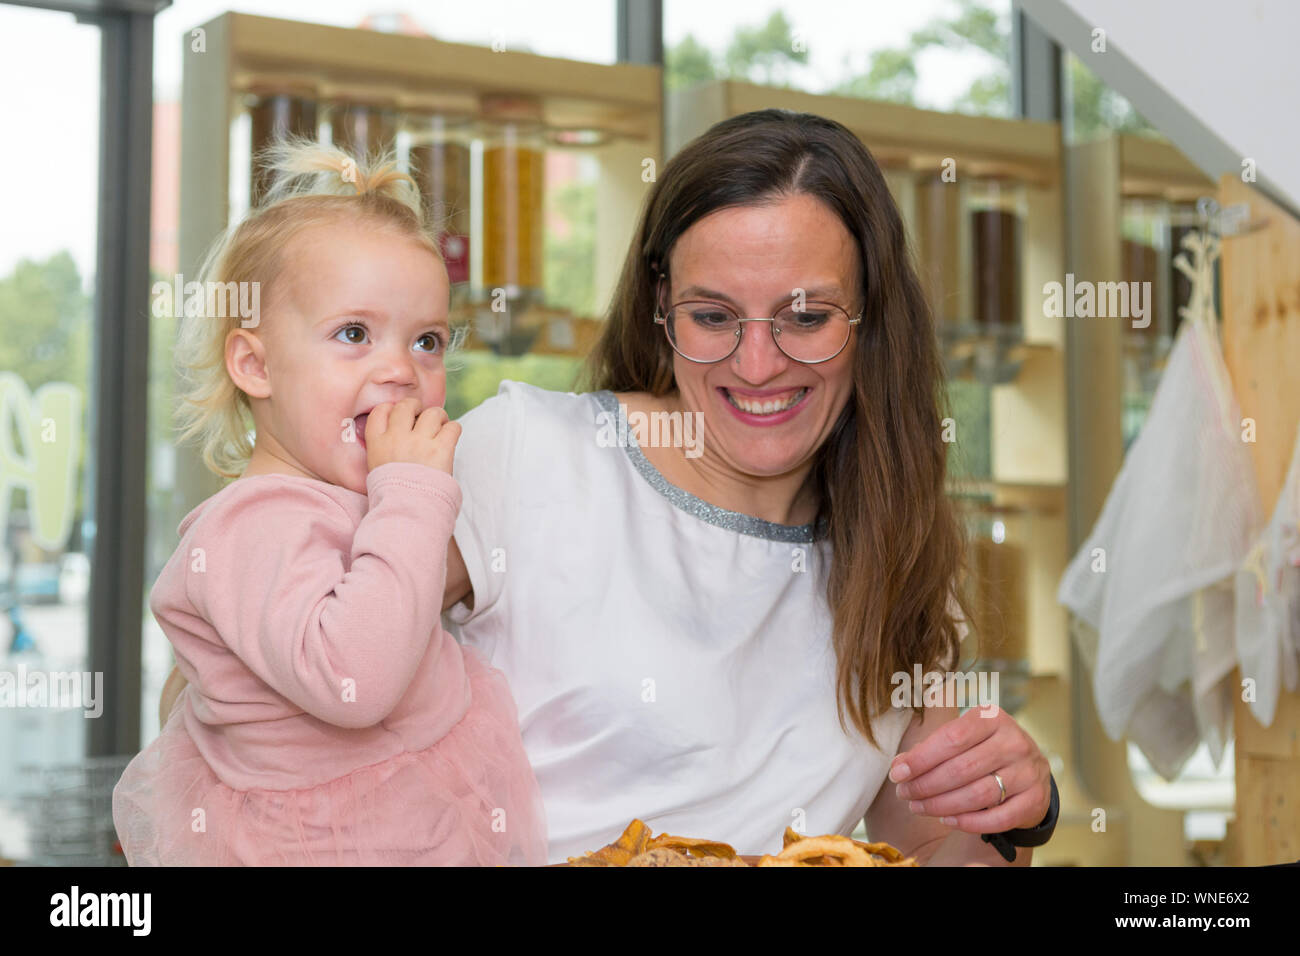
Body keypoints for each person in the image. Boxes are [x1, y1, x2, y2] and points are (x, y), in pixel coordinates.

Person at [163, 110, 1055, 866]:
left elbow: (929, 842)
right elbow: (237, 678)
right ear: (661, 309)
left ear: (872, 322)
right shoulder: (530, 457)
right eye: (712, 316)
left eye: (807, 317)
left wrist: (1019, 800)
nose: (756, 363)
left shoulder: (898, 555)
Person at [115, 140, 547, 866]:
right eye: (354, 334)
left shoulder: (356, 502)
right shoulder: (248, 523)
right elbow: (356, 682)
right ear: (254, 364)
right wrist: (411, 497)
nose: (401, 372)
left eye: (428, 341)